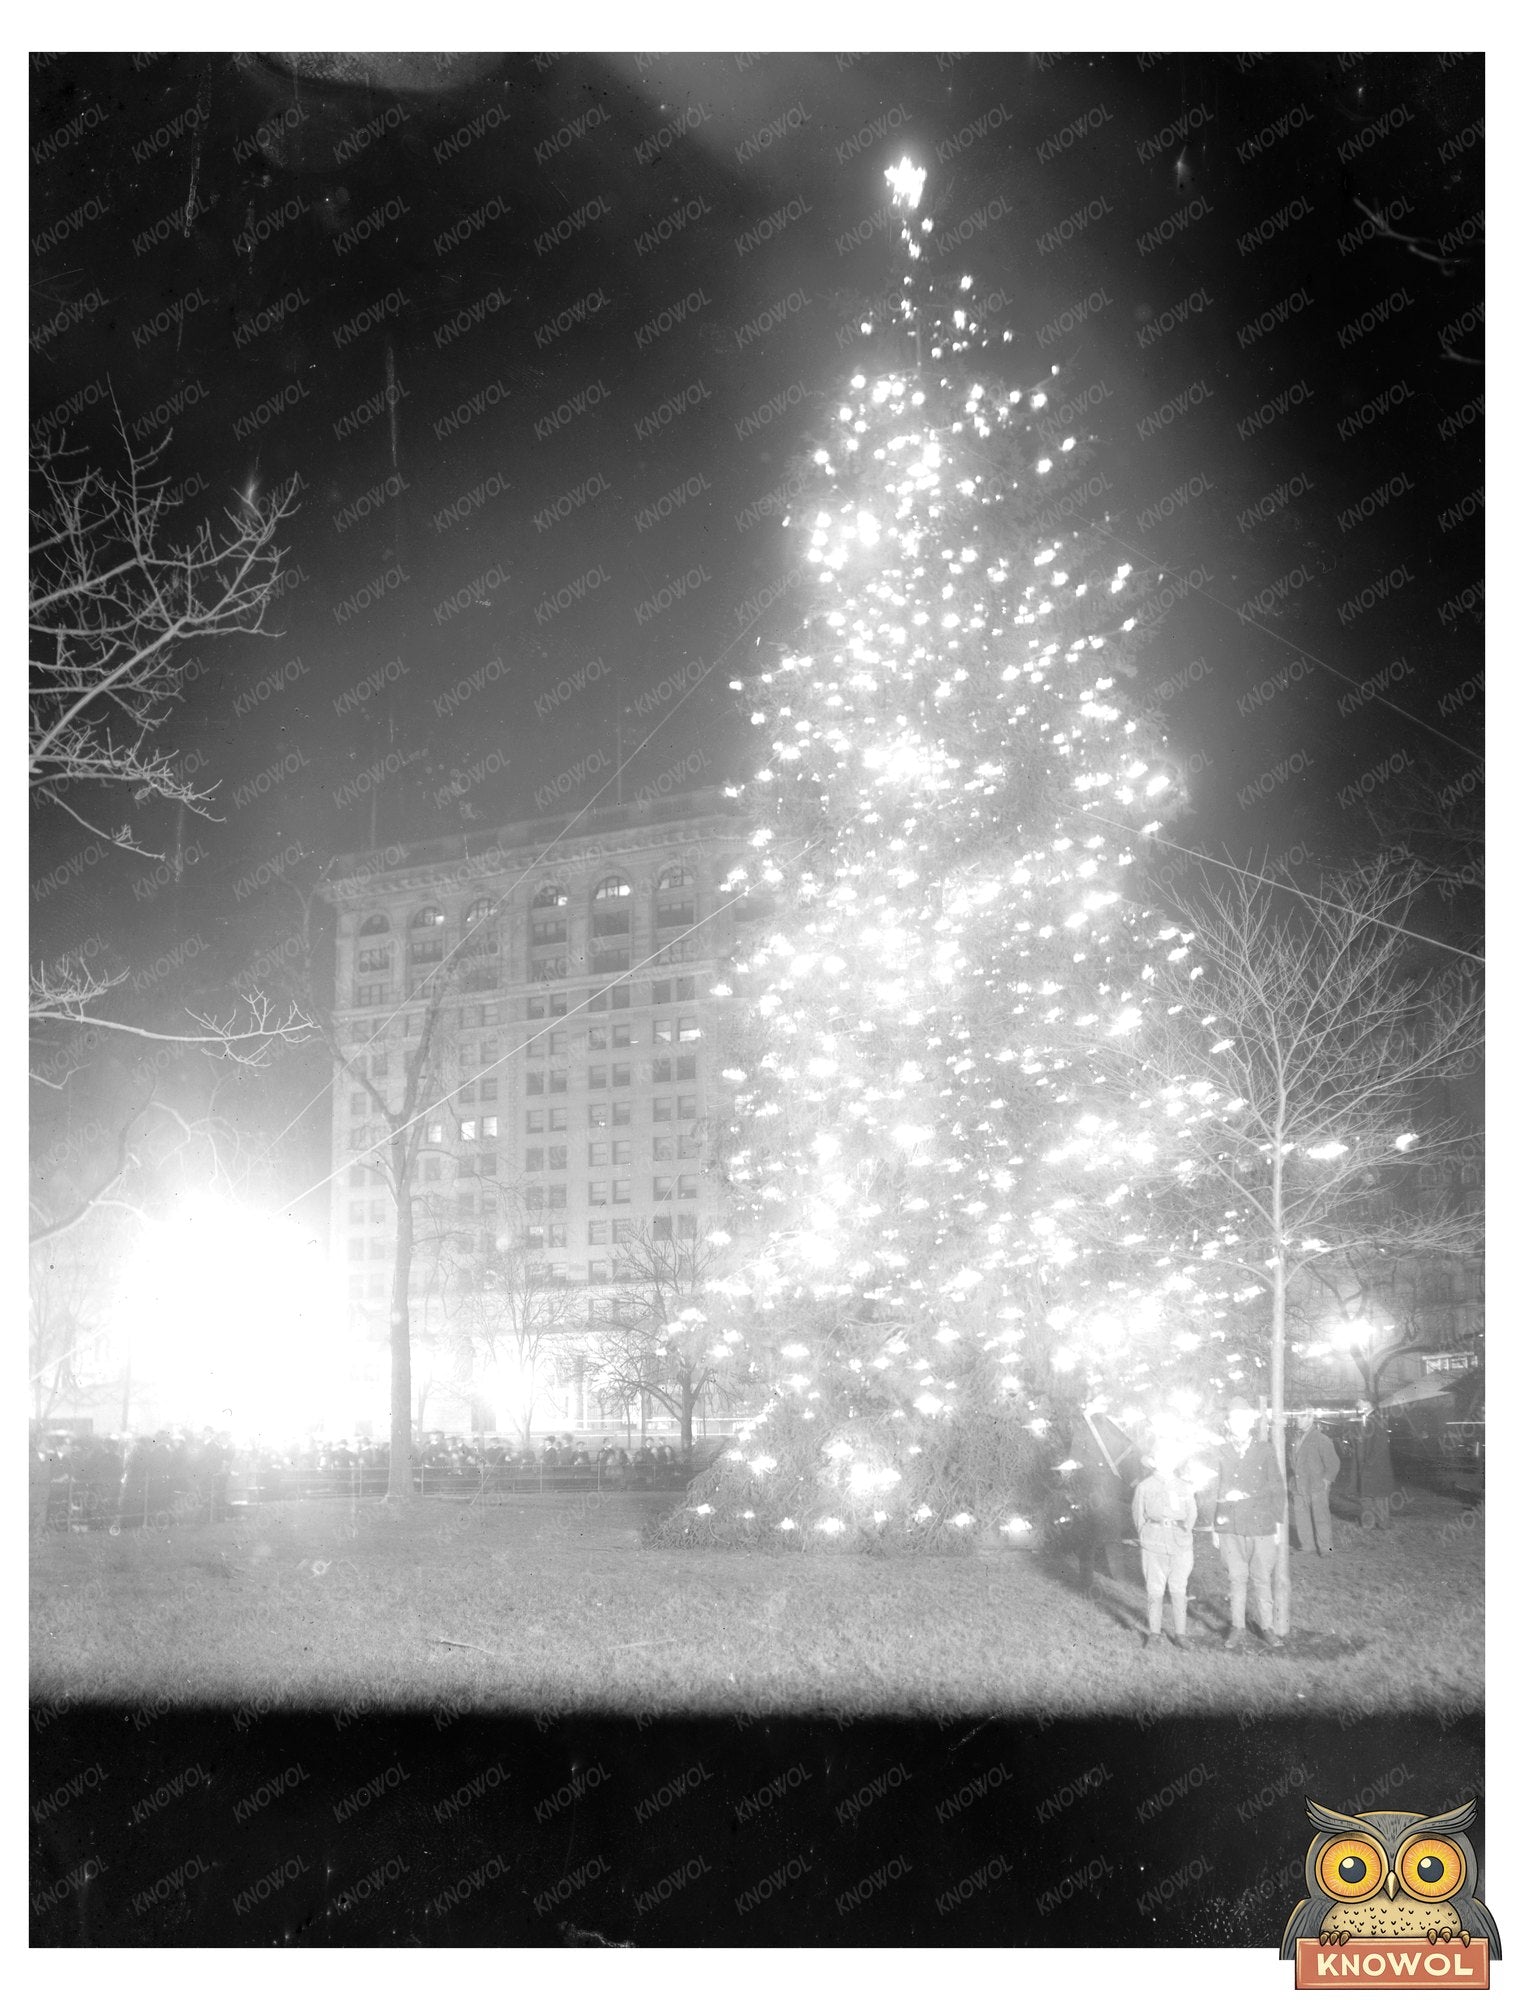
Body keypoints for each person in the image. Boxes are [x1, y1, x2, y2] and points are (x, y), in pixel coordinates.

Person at [1208, 1402, 1287, 1651]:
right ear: (1229, 1424)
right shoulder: (1219, 1451)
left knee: (1262, 1577)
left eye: (1244, 1419)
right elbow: (1211, 1489)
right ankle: (1237, 1627)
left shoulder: (1264, 1450)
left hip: (1261, 1525)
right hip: (1229, 1527)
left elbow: (1277, 1487)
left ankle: (1267, 1628)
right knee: (1236, 1578)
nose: (1239, 1424)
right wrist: (1215, 1524)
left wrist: (1277, 1524)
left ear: (1251, 1423)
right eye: (1234, 1420)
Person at [1131, 1449, 1198, 1651]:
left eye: (1169, 1458)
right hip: (1154, 1543)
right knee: (1155, 1589)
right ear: (1153, 1462)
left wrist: (1184, 1532)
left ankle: (1180, 1634)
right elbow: (1138, 1516)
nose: (1165, 1462)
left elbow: (1192, 1514)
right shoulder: (1144, 1487)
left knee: (1179, 1589)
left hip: (1180, 1544)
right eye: (1161, 1459)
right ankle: (1154, 1633)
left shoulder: (1185, 1487)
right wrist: (1147, 1535)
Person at [1291, 1412, 1340, 1555]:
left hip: (1316, 1486)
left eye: (1302, 1417)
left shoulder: (1321, 1439)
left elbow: (1333, 1463)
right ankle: (1308, 1546)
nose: (1297, 1420)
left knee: (1321, 1518)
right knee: (1302, 1518)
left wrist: (1326, 1480)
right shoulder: (1297, 1439)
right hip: (1300, 1485)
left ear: (1311, 1418)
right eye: (1297, 1417)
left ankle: (1327, 1549)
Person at [1356, 1405, 1395, 1530]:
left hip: (1374, 1466)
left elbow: (1379, 1445)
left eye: (1360, 1402)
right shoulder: (1366, 1419)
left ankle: (1381, 1524)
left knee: (1378, 1495)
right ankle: (1369, 1524)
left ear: (1368, 1404)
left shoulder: (1376, 1420)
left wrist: (1368, 1463)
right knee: (1368, 1495)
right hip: (1366, 1465)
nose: (1357, 1404)